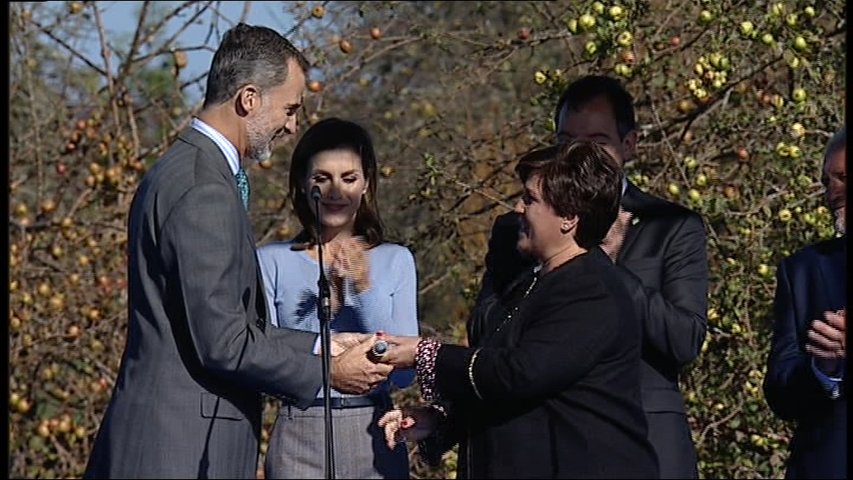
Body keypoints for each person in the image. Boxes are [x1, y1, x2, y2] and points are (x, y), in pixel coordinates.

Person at [84, 24, 392, 479]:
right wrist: (328, 369)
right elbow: (224, 342)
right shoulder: (201, 187)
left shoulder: (191, 171)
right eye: (289, 109)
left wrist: (318, 344)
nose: (292, 125)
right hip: (179, 448)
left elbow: (224, 323)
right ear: (249, 99)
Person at [377, 142, 659, 479]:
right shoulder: (531, 282)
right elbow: (507, 388)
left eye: (530, 199)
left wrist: (427, 354)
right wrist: (442, 422)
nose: (518, 208)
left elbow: (521, 373)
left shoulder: (592, 292)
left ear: (569, 218)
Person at [477, 75, 708, 478]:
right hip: (534, 439)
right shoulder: (518, 228)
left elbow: (684, 338)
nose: (579, 155)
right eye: (567, 142)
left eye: (597, 142)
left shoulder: (671, 225)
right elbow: (483, 330)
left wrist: (599, 266)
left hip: (645, 436)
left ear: (630, 144)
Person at [257, 117, 418, 479]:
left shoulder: (395, 259)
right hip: (299, 426)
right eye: (322, 178)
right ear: (302, 181)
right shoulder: (271, 261)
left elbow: (404, 377)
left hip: (374, 428)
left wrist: (361, 290)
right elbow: (264, 356)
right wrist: (323, 349)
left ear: (366, 184)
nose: (336, 191)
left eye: (349, 178)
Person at [763, 125, 846, 479]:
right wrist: (822, 370)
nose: (835, 192)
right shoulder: (803, 271)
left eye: (843, 177)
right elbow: (780, 389)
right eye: (829, 181)